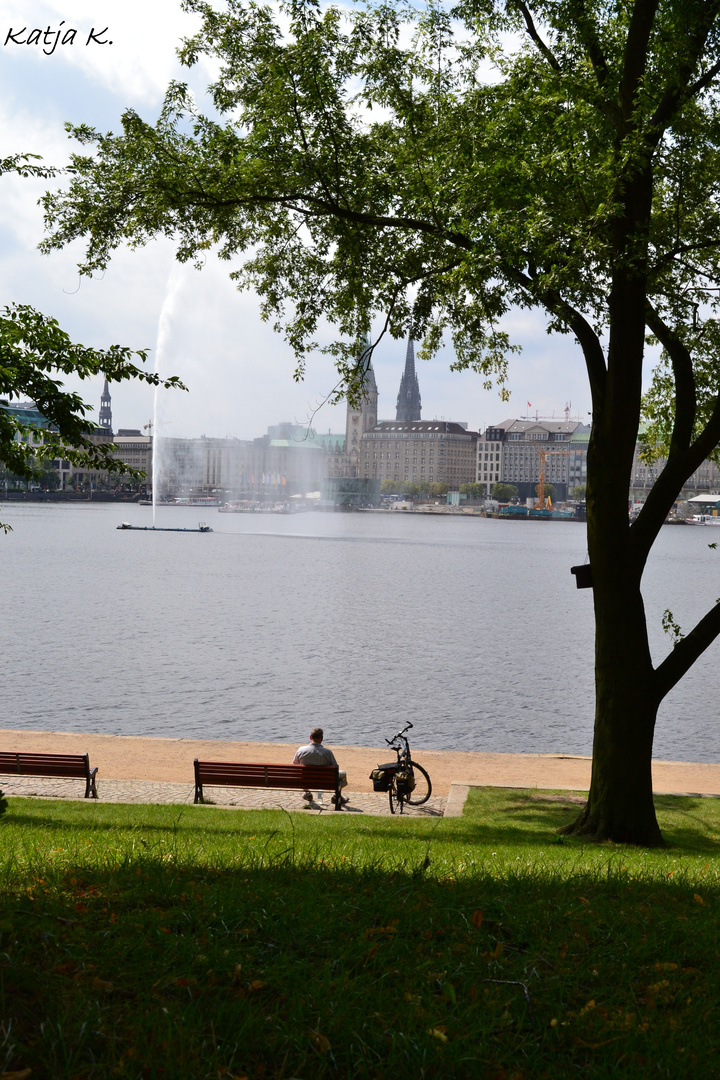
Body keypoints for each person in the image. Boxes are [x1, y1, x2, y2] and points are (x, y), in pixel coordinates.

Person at [293, 727, 348, 806]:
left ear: (310, 737)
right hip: (324, 779)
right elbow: (335, 768)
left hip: (306, 778)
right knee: (343, 773)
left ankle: (307, 793)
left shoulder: (301, 750)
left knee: (301, 773)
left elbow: (295, 764)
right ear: (321, 739)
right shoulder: (327, 752)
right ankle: (337, 796)